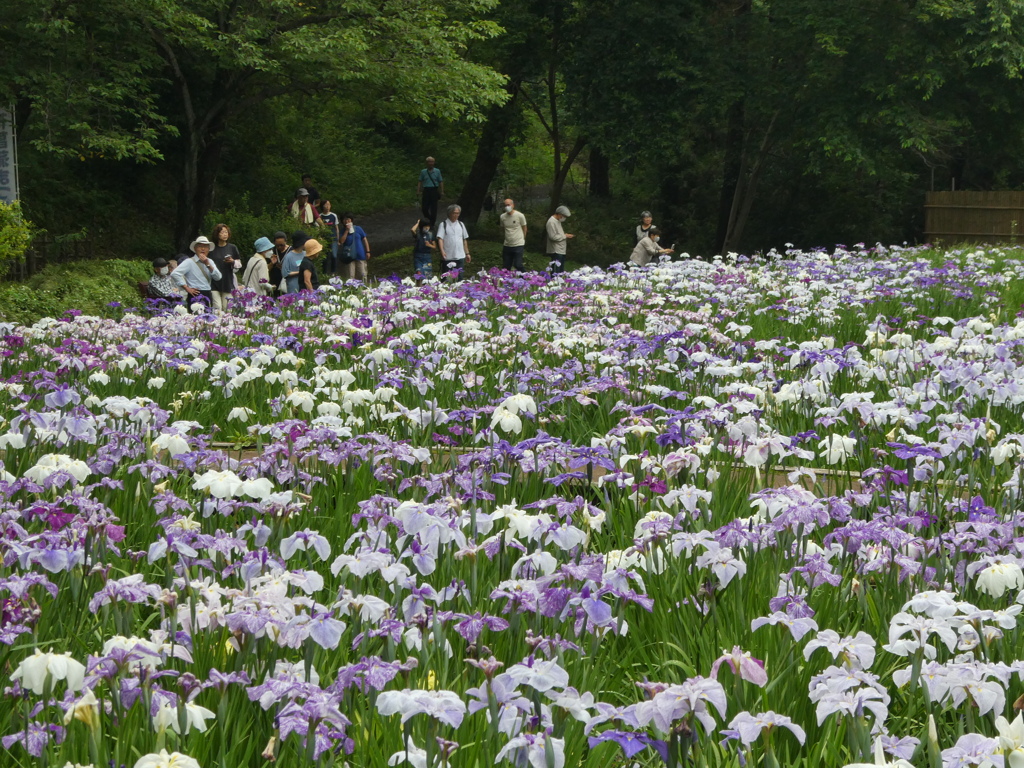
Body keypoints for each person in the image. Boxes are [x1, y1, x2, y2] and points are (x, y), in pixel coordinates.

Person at [171, 236, 222, 307]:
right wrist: (186, 288)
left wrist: (208, 264)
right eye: (200, 246)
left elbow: (218, 277)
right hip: (195, 293)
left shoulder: (210, 261)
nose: (203, 249)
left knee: (208, 316)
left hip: (208, 292)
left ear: (209, 249)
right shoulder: (189, 262)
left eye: (205, 247)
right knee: (194, 316)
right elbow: (175, 273)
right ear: (195, 249)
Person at [209, 223, 241, 312]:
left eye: (226, 232)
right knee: (217, 307)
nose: (225, 234)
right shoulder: (212, 248)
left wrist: (232, 261)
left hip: (227, 282)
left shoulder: (232, 247)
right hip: (214, 283)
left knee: (228, 309)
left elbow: (239, 264)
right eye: (222, 232)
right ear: (217, 234)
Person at [437, 204, 471, 280]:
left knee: (460, 277)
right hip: (448, 255)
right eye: (454, 213)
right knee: (447, 278)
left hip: (460, 255)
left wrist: (467, 253)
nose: (456, 215)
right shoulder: (443, 225)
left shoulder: (461, 224)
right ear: (449, 213)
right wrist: (442, 251)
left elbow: (464, 239)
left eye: (458, 213)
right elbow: (440, 239)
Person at [338, 214, 371, 282]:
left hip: (360, 255)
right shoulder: (342, 231)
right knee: (350, 276)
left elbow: (365, 239)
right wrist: (346, 231)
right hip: (349, 256)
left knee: (362, 275)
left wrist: (368, 251)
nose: (347, 221)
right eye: (344, 219)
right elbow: (341, 241)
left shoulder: (358, 228)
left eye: (348, 219)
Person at [499, 198, 528, 272]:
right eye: (505, 205)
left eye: (508, 205)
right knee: (506, 266)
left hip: (518, 244)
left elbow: (524, 228)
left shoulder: (520, 215)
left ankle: (525, 277)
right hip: (507, 244)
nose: (507, 207)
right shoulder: (502, 217)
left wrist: (523, 238)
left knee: (518, 264)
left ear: (513, 205)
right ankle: (506, 281)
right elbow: (502, 228)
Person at [545, 205, 573, 274]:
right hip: (556, 250)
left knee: (560, 271)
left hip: (561, 250)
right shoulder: (551, 222)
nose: (564, 218)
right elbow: (553, 237)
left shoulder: (558, 221)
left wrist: (564, 235)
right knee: (556, 271)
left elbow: (558, 234)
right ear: (559, 214)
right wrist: (565, 236)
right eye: (564, 216)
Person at [417, 156, 444, 228]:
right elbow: (420, 181)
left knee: (434, 208)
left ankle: (432, 223)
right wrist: (418, 190)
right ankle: (428, 219)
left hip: (434, 190)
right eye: (429, 162)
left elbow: (440, 181)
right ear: (426, 163)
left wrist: (442, 191)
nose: (431, 163)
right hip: (426, 190)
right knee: (424, 207)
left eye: (432, 162)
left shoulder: (437, 171)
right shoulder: (423, 172)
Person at [320, 200, 341, 276]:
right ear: (322, 206)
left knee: (334, 255)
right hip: (324, 239)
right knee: (325, 257)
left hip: (333, 238)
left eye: (329, 204)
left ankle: (333, 272)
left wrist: (338, 239)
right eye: (326, 204)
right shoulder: (320, 216)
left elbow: (336, 228)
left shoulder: (333, 215)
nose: (328, 206)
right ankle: (324, 273)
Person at [269, 231, 289, 297]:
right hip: (274, 281)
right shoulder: (272, 251)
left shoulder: (291, 251)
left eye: (282, 245)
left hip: (286, 282)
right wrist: (272, 263)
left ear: (286, 242)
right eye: (277, 245)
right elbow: (266, 268)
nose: (279, 247)